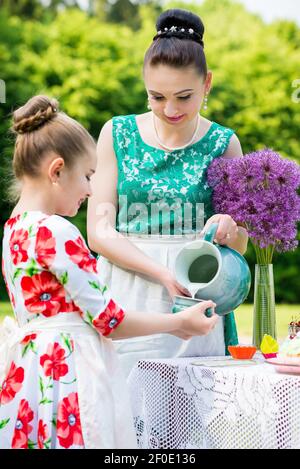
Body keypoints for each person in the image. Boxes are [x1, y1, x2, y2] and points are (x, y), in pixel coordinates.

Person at [0, 95, 218, 449]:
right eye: (87, 176)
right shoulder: (57, 232)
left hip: (30, 380)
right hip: (70, 376)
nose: (90, 189)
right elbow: (109, 321)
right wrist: (179, 323)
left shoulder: (14, 230)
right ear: (56, 171)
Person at [87, 8, 249, 378]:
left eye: (184, 96)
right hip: (127, 293)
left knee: (187, 423)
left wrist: (229, 226)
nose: (170, 109)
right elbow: (99, 232)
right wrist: (160, 272)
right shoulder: (116, 134)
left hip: (194, 297)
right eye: (157, 97)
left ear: (207, 83)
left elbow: (237, 246)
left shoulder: (224, 144)